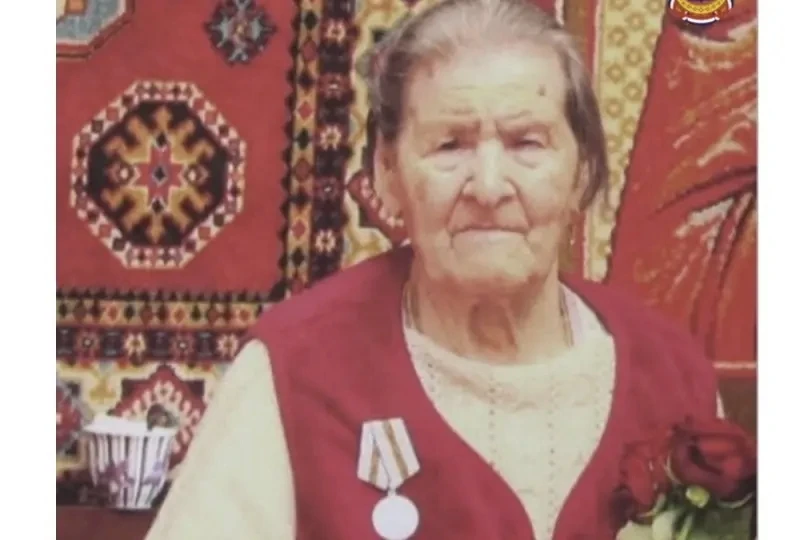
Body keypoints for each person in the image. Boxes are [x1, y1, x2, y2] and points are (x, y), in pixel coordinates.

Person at [145, 0, 722, 538]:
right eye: (450, 146)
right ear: (387, 174)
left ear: (583, 172)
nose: (489, 187)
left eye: (527, 143)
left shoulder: (670, 374)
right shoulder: (296, 369)